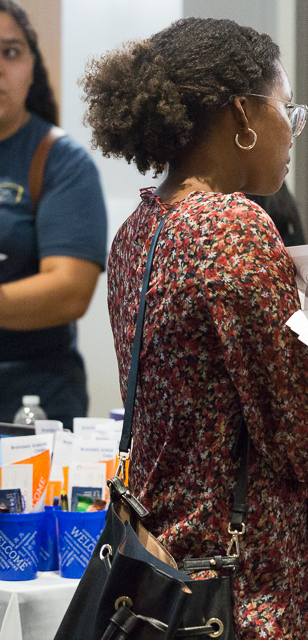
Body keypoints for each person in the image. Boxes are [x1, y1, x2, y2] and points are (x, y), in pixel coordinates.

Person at [81, 18, 308, 639]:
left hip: (163, 553)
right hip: (242, 566)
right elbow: (291, 425)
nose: (293, 129)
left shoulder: (140, 229)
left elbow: (206, 399)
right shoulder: (232, 226)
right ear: (242, 114)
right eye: (287, 109)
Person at [0, 0, 107, 427]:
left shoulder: (61, 161)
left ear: (32, 66)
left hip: (30, 401)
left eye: (10, 52)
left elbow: (70, 290)